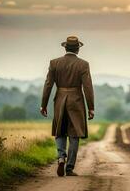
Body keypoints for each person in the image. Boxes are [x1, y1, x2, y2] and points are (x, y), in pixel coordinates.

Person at [40, 36, 94, 177]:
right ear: (78, 49)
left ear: (65, 48)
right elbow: (88, 87)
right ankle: (69, 168)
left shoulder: (54, 63)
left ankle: (61, 157)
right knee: (74, 134)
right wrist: (91, 107)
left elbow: (48, 85)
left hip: (59, 100)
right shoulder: (83, 64)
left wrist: (43, 105)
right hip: (76, 101)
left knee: (59, 131)